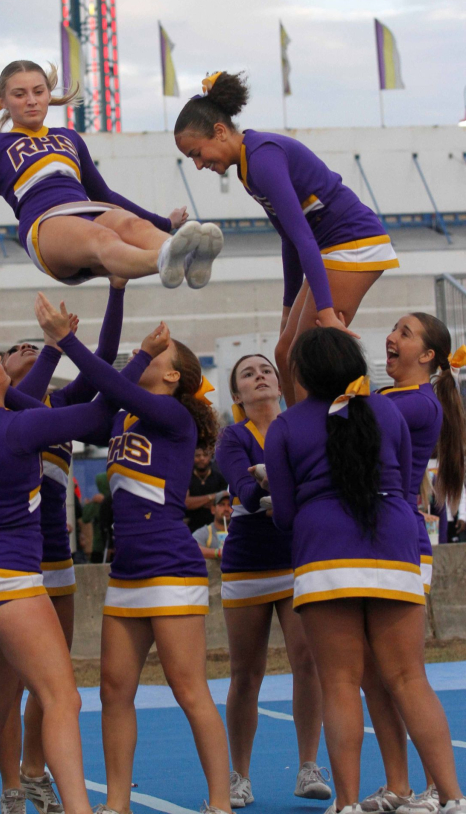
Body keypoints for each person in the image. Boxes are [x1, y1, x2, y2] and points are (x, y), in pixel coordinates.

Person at [36, 292, 233, 814]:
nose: (141, 360)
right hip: (126, 574)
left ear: (173, 377)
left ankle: (220, 802)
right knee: (113, 693)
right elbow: (97, 397)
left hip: (171, 567)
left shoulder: (173, 417)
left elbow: (115, 380)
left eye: (158, 358)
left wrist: (65, 338)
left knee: (189, 690)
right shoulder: (122, 419)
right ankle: (117, 804)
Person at [264, 327, 466, 814]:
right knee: (408, 677)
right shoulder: (388, 409)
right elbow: (398, 479)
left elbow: (286, 514)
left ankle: (349, 803)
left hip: (325, 551)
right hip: (393, 544)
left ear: (303, 375)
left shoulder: (286, 425)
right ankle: (454, 796)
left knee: (339, 681)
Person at [0, 339, 120, 814]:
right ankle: (79, 808)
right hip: (5, 581)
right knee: (62, 699)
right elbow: (97, 419)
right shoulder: (16, 425)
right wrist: (127, 369)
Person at [0, 253, 127, 814]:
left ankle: (33, 771)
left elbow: (104, 362)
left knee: (42, 686)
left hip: (48, 561)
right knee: (19, 691)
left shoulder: (53, 402)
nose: (25, 352)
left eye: (31, 348)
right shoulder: (21, 410)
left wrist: (117, 288)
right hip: (10, 571)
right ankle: (13, 783)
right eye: (13, 350)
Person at [0, 60, 224, 290]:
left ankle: (188, 258)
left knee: (131, 226)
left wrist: (164, 223)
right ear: (2, 101)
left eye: (38, 92)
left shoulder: (68, 138)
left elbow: (104, 193)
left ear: (48, 95)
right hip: (44, 225)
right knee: (101, 239)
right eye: (19, 94)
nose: (31, 101)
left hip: (85, 209)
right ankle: (164, 258)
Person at [174, 72, 399, 405]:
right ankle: (296, 435)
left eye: (196, 153)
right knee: (284, 352)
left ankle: (312, 444)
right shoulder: (248, 168)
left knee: (303, 357)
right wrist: (287, 307)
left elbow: (303, 237)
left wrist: (324, 311)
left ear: (219, 131)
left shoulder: (262, 157)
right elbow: (289, 240)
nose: (196, 165)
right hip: (330, 250)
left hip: (354, 244)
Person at [359, 315, 466, 814]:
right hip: (380, 540)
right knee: (377, 676)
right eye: (394, 329)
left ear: (427, 356)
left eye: (405, 332)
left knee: (404, 674)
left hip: (396, 546)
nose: (392, 337)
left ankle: (444, 792)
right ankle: (401, 785)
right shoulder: (389, 397)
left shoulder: (412, 401)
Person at [216, 353, 328, 808]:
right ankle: (238, 775)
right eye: (248, 373)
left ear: (282, 385)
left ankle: (308, 767)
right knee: (247, 673)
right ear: (237, 394)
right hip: (247, 562)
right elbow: (245, 490)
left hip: (297, 557)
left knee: (309, 662)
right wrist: (282, 488)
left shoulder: (301, 428)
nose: (259, 376)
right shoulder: (232, 438)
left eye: (266, 370)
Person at [185, 446, 227, 534]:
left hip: (215, 528)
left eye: (205, 455)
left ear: (210, 456)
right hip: (191, 527)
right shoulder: (186, 478)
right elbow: (186, 503)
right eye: (198, 455)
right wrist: (212, 497)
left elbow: (222, 502)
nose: (202, 458)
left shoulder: (220, 478)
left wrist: (196, 502)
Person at [192, 491, 232, 559]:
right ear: (213, 509)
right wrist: (218, 552)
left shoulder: (240, 532)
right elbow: (192, 549)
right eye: (222, 504)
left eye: (230, 505)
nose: (226, 509)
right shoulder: (205, 532)